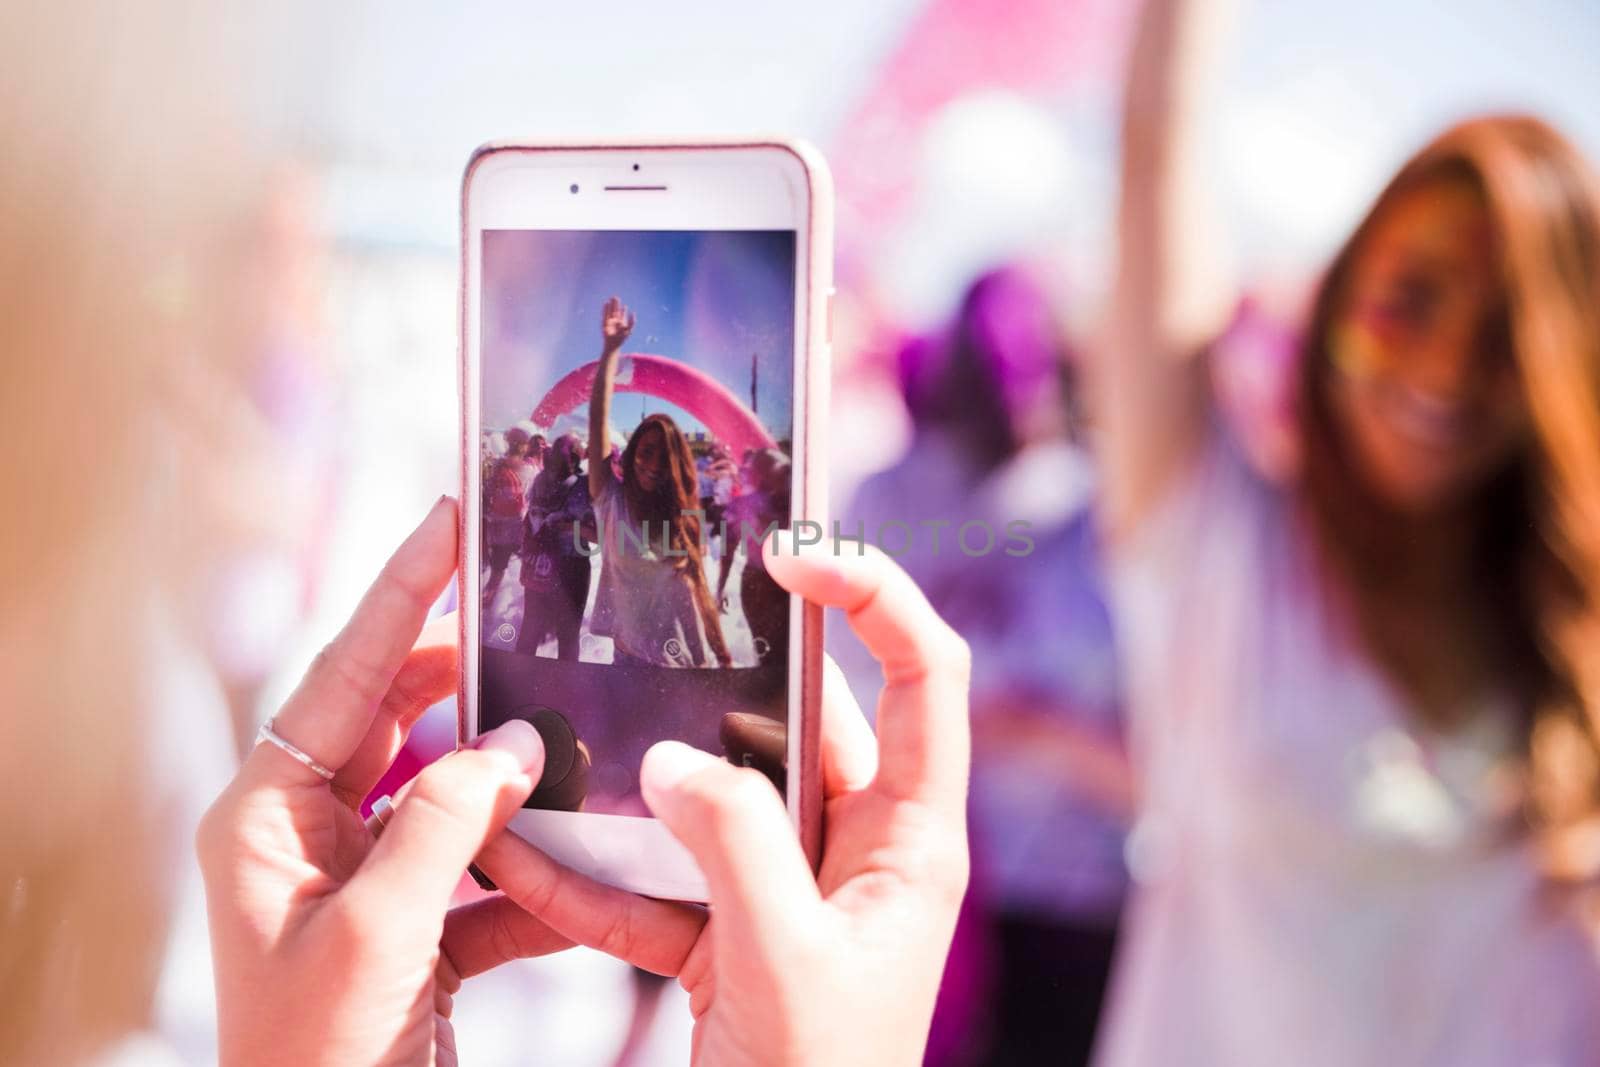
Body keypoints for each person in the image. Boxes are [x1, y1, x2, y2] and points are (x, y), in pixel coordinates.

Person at [1088, 2, 1600, 1064]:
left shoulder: (1571, 627)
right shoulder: (1220, 545)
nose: (1445, 371)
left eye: (1503, 331)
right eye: (1410, 300)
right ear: (1338, 303)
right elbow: (1154, 146)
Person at [197, 497, 974, 1067]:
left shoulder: (679, 579)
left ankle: (632, 1039)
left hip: (642, 743)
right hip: (613, 742)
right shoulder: (602, 558)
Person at [587, 296, 732, 668]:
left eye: (664, 458)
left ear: (677, 466)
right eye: (646, 451)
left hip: (681, 668)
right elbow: (598, 425)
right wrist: (609, 352)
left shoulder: (683, 517)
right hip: (627, 661)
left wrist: (723, 658)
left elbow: (700, 594)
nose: (653, 464)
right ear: (633, 450)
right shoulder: (611, 501)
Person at [518, 431, 594, 660]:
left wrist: (567, 527)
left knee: (533, 631)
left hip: (545, 565)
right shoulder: (580, 485)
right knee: (563, 636)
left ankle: (519, 677)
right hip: (566, 568)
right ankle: (562, 684)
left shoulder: (542, 480)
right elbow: (602, 536)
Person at [718, 448, 792, 664]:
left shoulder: (742, 505)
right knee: (779, 652)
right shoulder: (798, 503)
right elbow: (727, 549)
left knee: (769, 653)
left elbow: (727, 551)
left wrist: (720, 589)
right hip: (773, 582)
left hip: (760, 583)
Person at [482, 425, 536, 608]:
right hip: (515, 526)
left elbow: (488, 491)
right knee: (530, 566)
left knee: (497, 570)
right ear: (523, 445)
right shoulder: (526, 468)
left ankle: (486, 604)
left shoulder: (498, 465)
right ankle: (489, 603)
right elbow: (529, 495)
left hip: (496, 525)